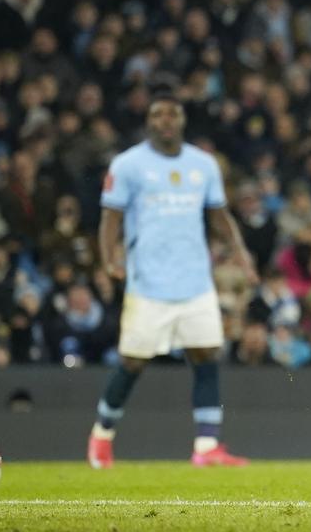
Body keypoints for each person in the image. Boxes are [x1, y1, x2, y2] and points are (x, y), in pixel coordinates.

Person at [87, 94, 256, 468]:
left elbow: (218, 216)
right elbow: (110, 218)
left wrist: (240, 254)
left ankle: (206, 447)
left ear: (182, 119)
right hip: (148, 282)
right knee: (132, 361)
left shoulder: (203, 165)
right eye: (157, 113)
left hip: (195, 280)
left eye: (172, 113)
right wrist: (109, 258)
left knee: (206, 355)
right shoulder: (128, 165)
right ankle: (101, 437)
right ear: (148, 121)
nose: (165, 120)